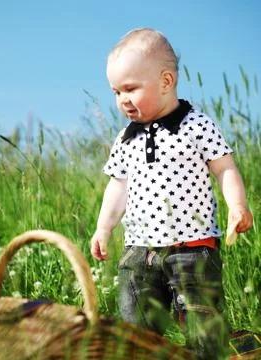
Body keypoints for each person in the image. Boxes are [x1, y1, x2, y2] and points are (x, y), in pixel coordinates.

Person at [90, 28, 253, 359]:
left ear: (166, 82)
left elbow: (224, 168)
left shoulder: (196, 125)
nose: (122, 99)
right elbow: (117, 185)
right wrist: (104, 228)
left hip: (191, 247)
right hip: (140, 251)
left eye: (131, 88)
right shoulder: (126, 138)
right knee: (135, 325)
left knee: (202, 322)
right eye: (116, 91)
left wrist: (237, 205)